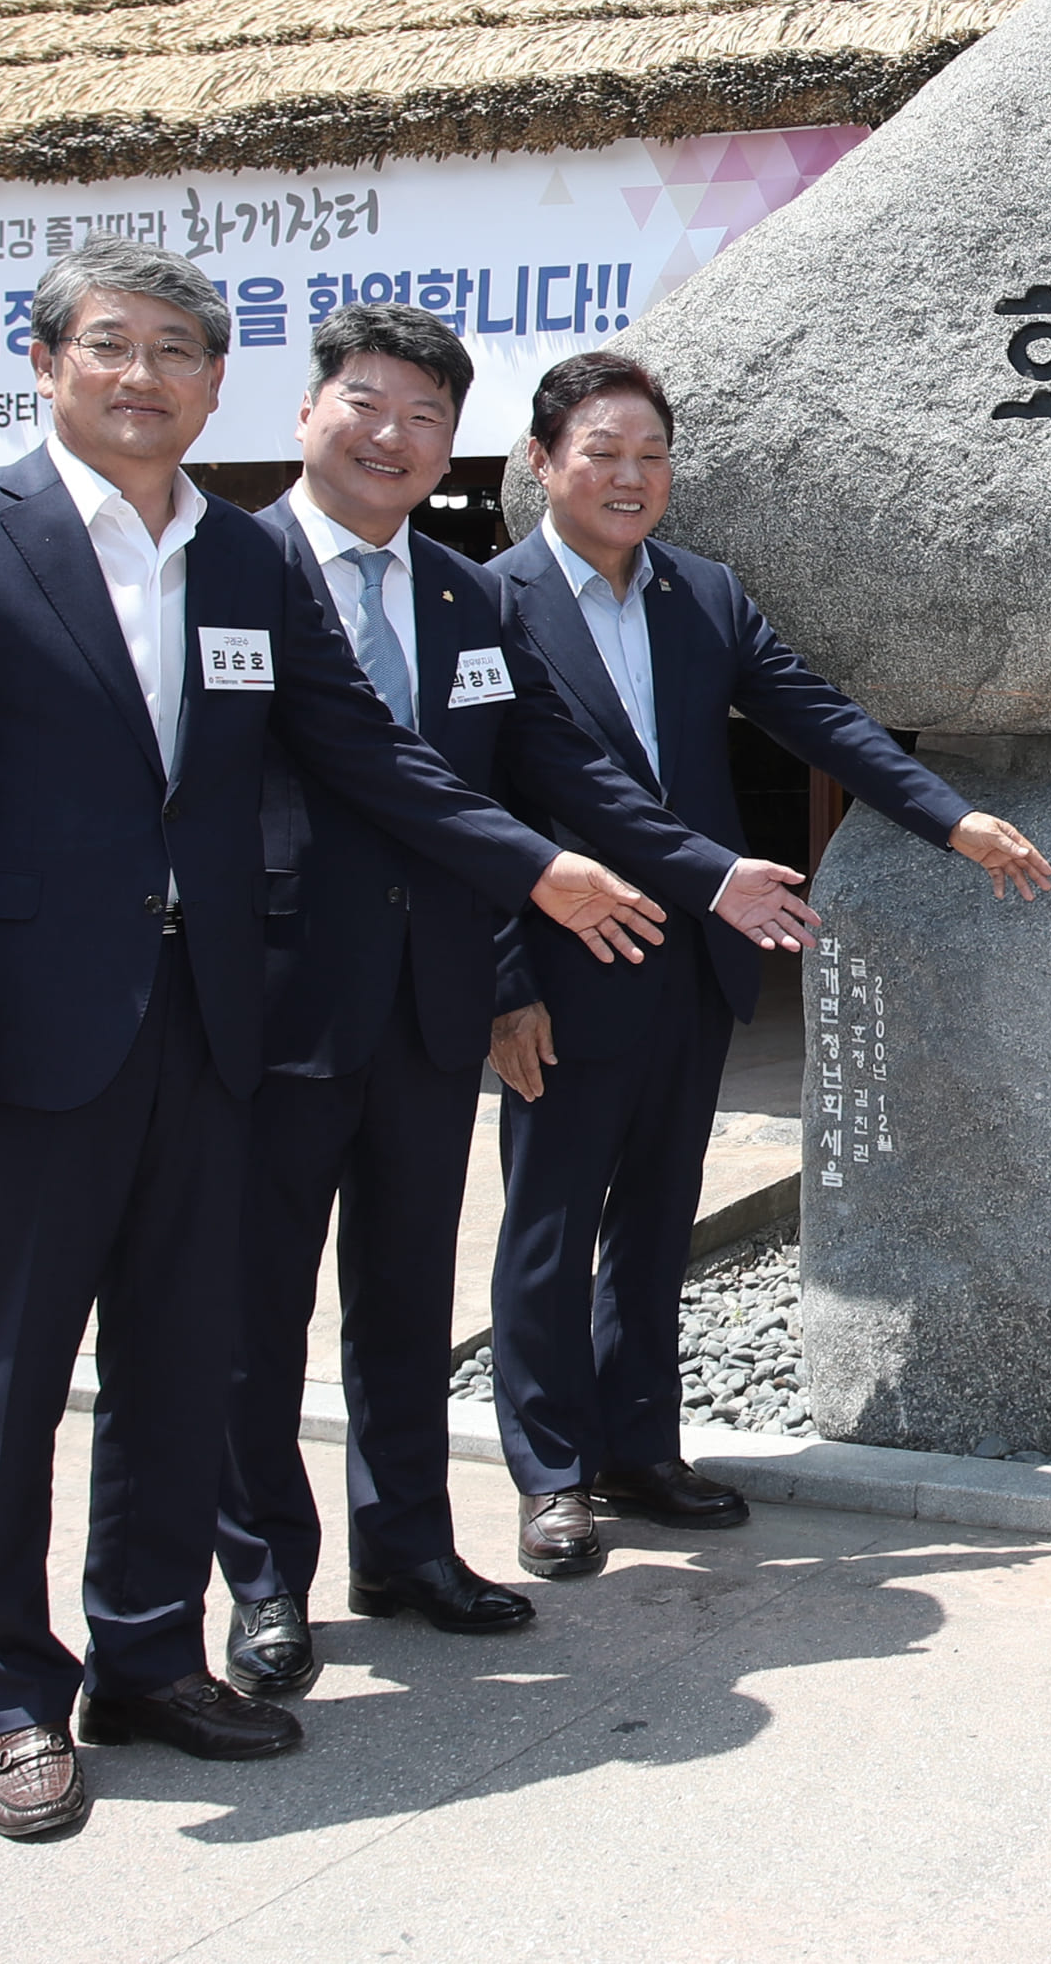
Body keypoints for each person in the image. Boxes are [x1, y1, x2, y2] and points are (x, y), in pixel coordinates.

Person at [0, 241, 670, 1844]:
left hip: (212, 1029)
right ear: (48, 362)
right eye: (110, 345)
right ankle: (17, 1695)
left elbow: (361, 751)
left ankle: (147, 1654)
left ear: (217, 385)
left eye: (173, 351)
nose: (142, 375)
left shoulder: (240, 563)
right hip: (15, 1041)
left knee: (181, 1354)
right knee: (9, 1379)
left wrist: (535, 865)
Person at [212, 304, 826, 1704]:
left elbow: (548, 774)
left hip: (426, 1003)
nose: (393, 436)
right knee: (257, 1307)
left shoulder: (457, 595)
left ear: (458, 447)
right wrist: (540, 911)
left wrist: (704, 869)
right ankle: (264, 1578)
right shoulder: (227, 564)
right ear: (308, 410)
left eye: (426, 417)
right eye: (368, 404)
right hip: (271, 1000)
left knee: (404, 1295)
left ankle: (409, 1550)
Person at [485, 351, 1051, 1579]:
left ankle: (639, 1446)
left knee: (652, 1217)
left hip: (688, 966)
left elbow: (815, 713)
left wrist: (946, 816)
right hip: (564, 961)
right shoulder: (492, 606)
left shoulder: (702, 594)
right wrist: (502, 987)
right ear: (542, 463)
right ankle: (550, 1473)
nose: (629, 475)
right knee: (547, 1222)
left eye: (650, 453)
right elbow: (485, 804)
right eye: (601, 451)